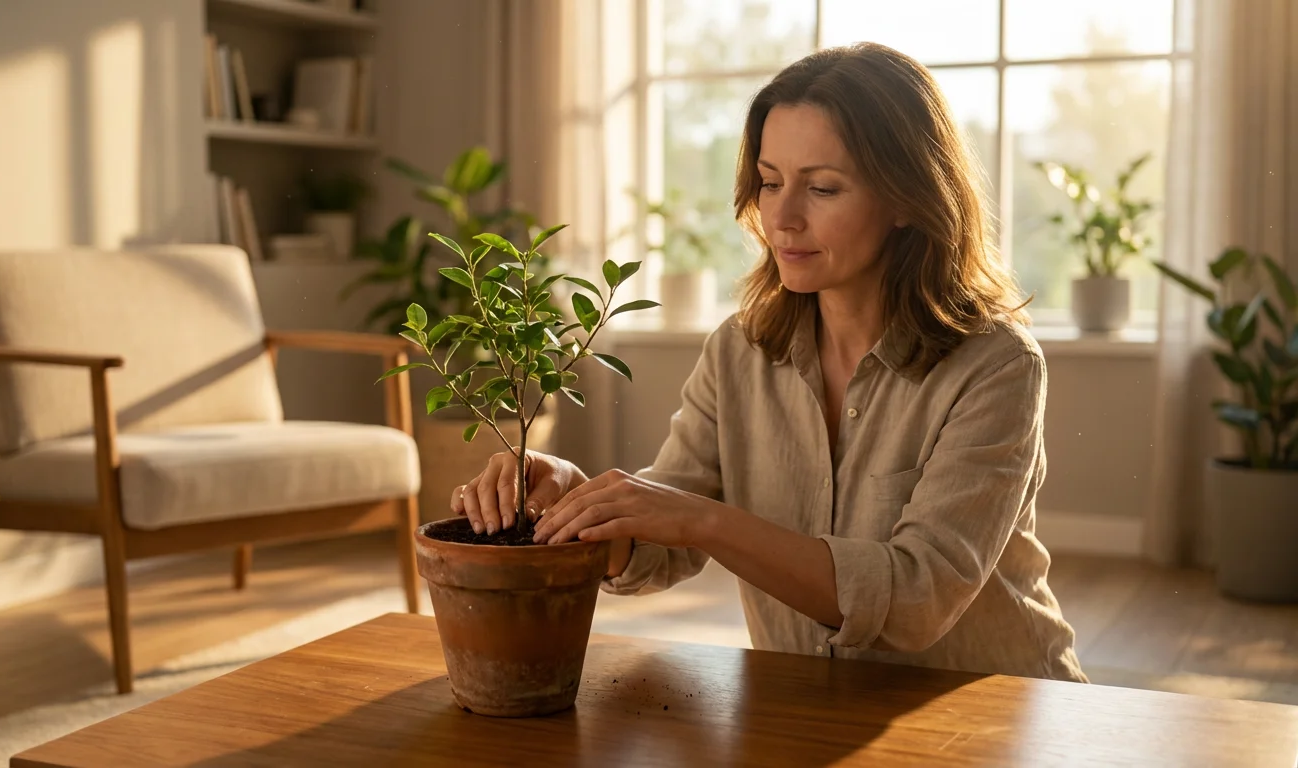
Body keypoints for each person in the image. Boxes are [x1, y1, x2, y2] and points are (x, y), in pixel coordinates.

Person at [449, 42, 1087, 683]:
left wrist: (705, 523)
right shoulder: (739, 349)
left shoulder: (997, 364)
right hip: (809, 709)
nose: (781, 217)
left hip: (995, 710)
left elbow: (917, 600)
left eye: (823, 188)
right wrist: (573, 499)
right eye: (771, 181)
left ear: (907, 199)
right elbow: (654, 550)